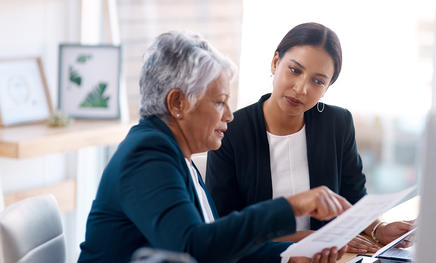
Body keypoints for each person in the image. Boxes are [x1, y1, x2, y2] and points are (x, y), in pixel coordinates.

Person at [77, 31, 351, 263]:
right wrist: (291, 206)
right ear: (178, 104)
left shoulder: (176, 156)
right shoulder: (147, 155)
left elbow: (216, 243)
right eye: (220, 102)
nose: (229, 115)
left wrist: (291, 255)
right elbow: (194, 249)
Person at [205, 22, 414, 254]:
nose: (302, 89)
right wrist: (308, 238)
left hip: (328, 258)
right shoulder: (231, 130)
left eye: (318, 81)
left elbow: (353, 198)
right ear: (275, 62)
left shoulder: (337, 123)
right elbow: (224, 225)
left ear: (327, 87)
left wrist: (379, 229)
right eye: (295, 70)